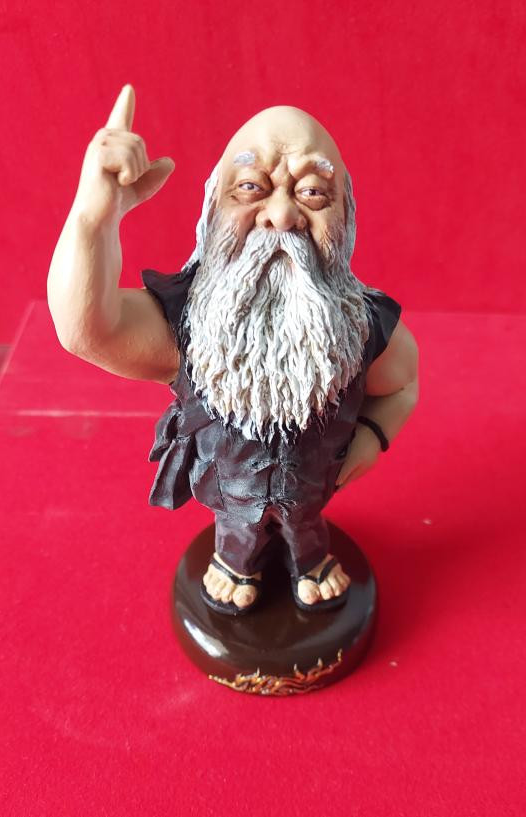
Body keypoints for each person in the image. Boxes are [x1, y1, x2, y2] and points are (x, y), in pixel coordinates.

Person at [48, 85, 419, 617]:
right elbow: (85, 329)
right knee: (236, 529)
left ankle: (310, 562)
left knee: (307, 525)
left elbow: (404, 384)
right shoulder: (183, 322)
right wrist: (93, 219)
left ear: (346, 219)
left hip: (315, 482)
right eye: (251, 187)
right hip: (227, 487)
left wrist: (373, 435)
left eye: (312, 193)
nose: (282, 216)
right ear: (212, 208)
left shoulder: (365, 329)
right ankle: (236, 564)